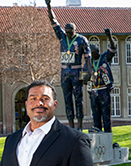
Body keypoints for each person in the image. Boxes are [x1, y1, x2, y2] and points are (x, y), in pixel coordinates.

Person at [0, 79, 93, 166]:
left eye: (45, 98)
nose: (39, 103)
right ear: (26, 104)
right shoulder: (10, 141)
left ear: (55, 104)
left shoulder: (75, 140)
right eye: (33, 98)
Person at [45, 0, 92, 131]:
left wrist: (88, 73)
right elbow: (53, 20)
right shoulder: (62, 37)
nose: (69, 34)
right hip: (65, 73)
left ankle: (80, 126)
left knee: (78, 98)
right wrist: (48, 5)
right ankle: (71, 126)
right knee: (67, 99)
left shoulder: (82, 40)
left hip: (77, 72)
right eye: (67, 32)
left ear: (75, 31)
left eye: (71, 32)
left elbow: (88, 58)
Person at [88, 28, 116, 132]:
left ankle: (108, 135)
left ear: (98, 52)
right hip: (94, 91)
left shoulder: (104, 58)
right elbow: (84, 76)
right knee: (96, 115)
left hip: (104, 89)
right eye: (91, 53)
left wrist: (110, 37)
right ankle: (97, 134)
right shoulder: (89, 63)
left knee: (106, 115)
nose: (93, 54)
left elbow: (113, 48)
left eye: (94, 52)